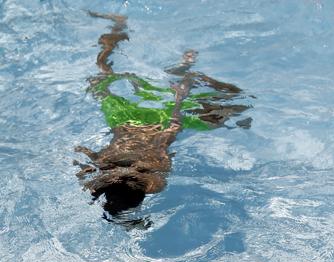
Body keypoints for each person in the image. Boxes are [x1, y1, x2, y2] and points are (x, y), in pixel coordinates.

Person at [74, 12, 251, 217]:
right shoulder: (97, 181)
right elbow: (83, 154)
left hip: (158, 121)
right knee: (103, 73)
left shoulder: (154, 181)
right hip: (123, 119)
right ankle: (118, 25)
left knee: (239, 102)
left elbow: (171, 130)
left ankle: (189, 74)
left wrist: (180, 98)